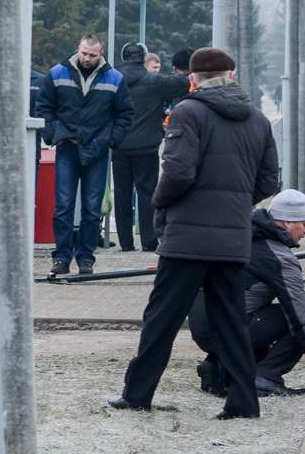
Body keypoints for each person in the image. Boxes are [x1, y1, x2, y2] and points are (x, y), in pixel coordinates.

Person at [110, 47, 278, 420]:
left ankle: (137, 394)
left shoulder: (188, 111)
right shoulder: (259, 119)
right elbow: (269, 181)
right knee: (231, 321)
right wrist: (235, 202)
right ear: (231, 76)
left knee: (162, 318)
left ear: (193, 78)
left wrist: (161, 203)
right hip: (233, 238)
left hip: (187, 237)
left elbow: (178, 173)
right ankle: (243, 402)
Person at [189, 189, 305, 398]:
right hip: (226, 329)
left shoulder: (240, 233)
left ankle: (217, 366)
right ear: (287, 223)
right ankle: (266, 377)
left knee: (261, 317)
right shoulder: (279, 258)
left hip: (201, 326)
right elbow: (302, 320)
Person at [35, 34, 134, 275]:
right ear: (78, 48)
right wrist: (51, 135)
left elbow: (126, 114)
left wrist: (111, 139)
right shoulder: (57, 73)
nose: (87, 58)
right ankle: (61, 257)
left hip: (97, 149)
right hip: (68, 146)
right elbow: (44, 107)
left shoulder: (115, 78)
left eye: (92, 54)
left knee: (91, 208)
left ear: (101, 54)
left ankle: (86, 258)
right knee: (64, 206)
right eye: (84, 53)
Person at [112, 43, 190, 252]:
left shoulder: (113, 78)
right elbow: (181, 84)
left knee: (122, 194)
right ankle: (148, 241)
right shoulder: (154, 81)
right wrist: (188, 68)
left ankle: (125, 243)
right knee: (147, 193)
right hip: (146, 146)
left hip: (119, 145)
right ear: (144, 59)